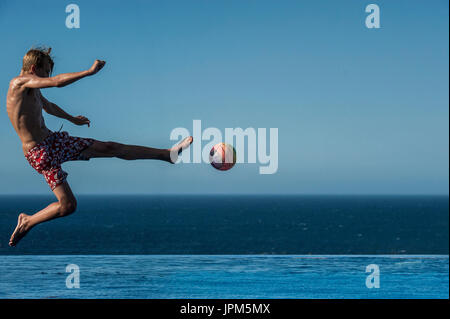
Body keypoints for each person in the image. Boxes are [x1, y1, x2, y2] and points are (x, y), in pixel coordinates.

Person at [6, 47, 193, 246]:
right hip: (40, 153)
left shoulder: (33, 89)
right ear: (34, 68)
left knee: (109, 147)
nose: (46, 77)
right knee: (68, 206)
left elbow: (49, 106)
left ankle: (167, 154)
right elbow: (57, 82)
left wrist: (72, 119)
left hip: (54, 142)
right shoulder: (19, 83)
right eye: (45, 72)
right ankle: (28, 221)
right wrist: (88, 72)